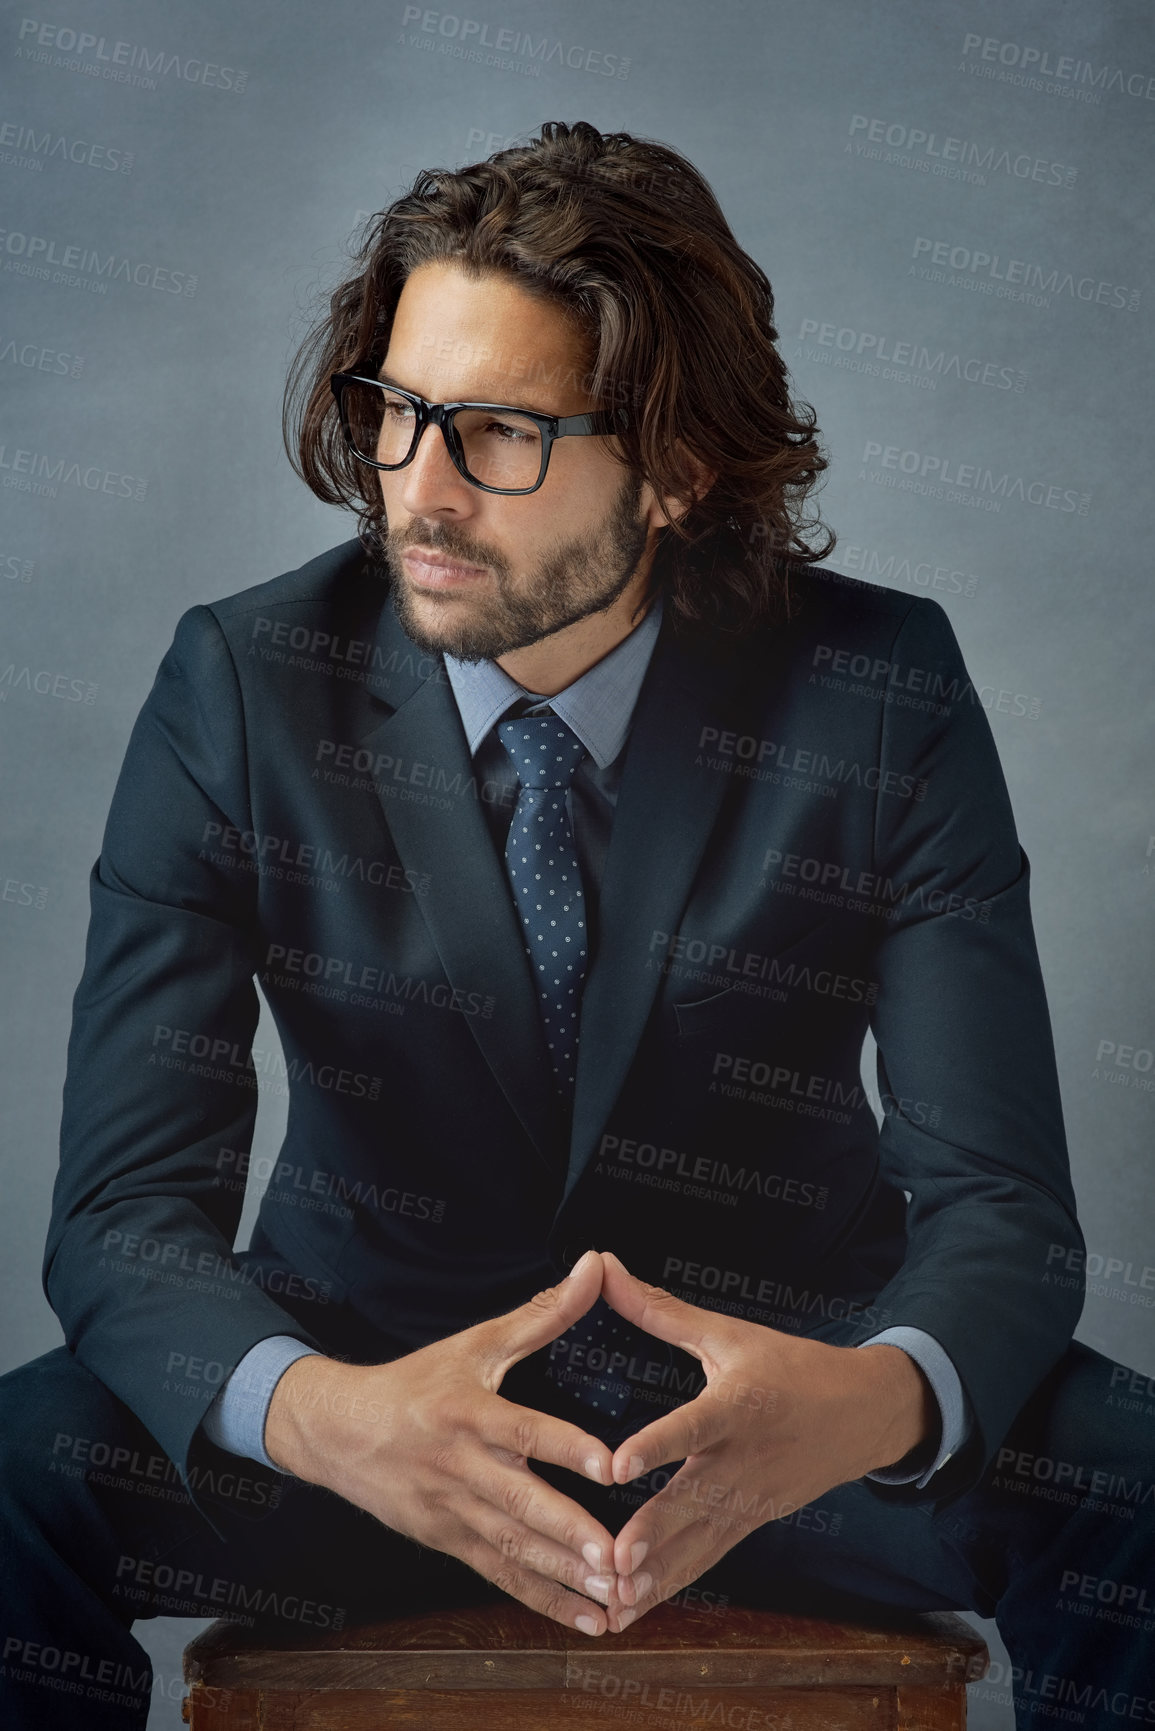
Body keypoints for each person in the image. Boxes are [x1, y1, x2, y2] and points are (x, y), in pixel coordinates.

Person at [1, 121, 1150, 1730]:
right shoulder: (243, 689)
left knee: (1140, 1484)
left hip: (776, 1426)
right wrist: (331, 1419)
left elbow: (1003, 1211)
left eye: (496, 434)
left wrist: (863, 1404)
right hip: (372, 1416)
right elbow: (123, 1210)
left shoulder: (883, 694)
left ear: (675, 466)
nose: (417, 486)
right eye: (394, 413)